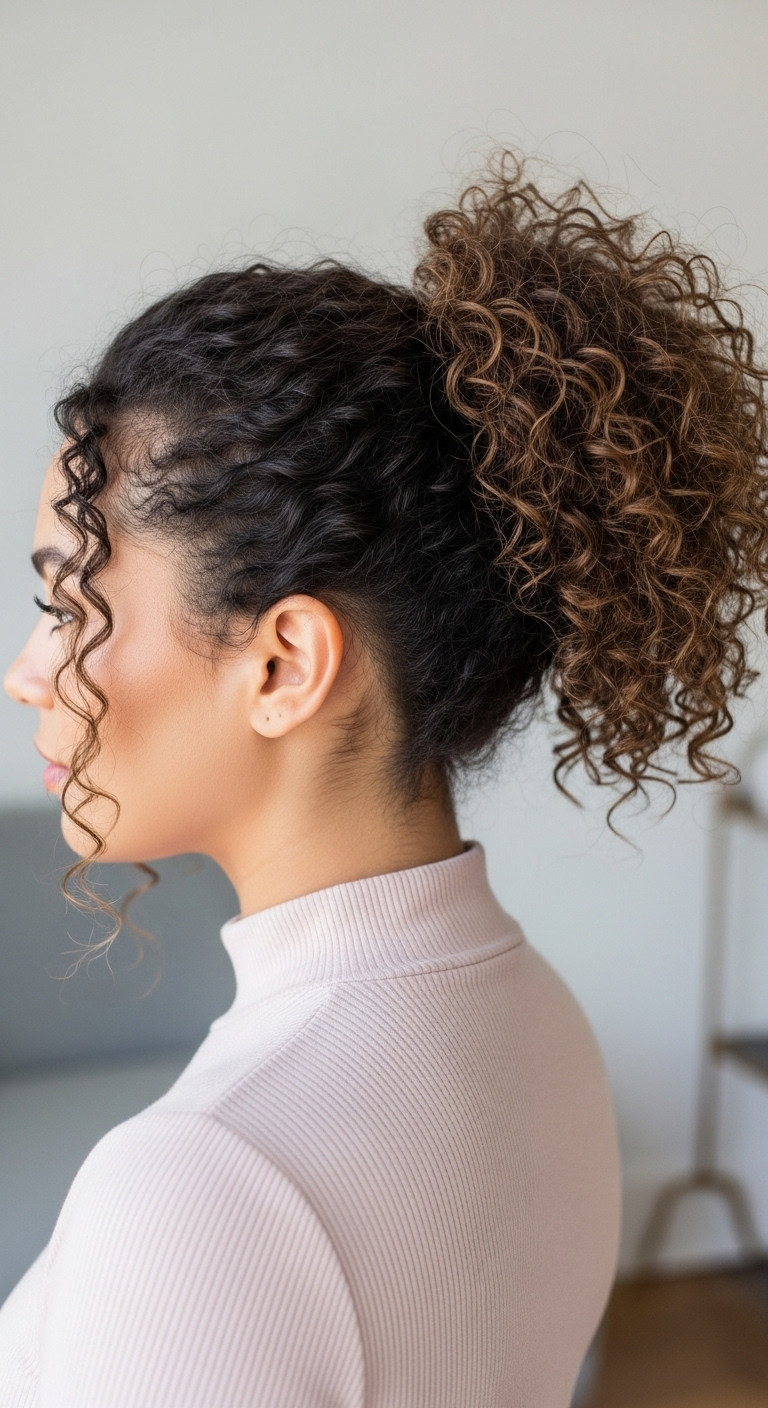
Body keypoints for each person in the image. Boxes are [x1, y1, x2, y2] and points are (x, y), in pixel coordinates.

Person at [1, 148, 766, 1408]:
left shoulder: (202, 1188)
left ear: (285, 661)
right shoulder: (541, 1021)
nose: (29, 672)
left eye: (66, 603)